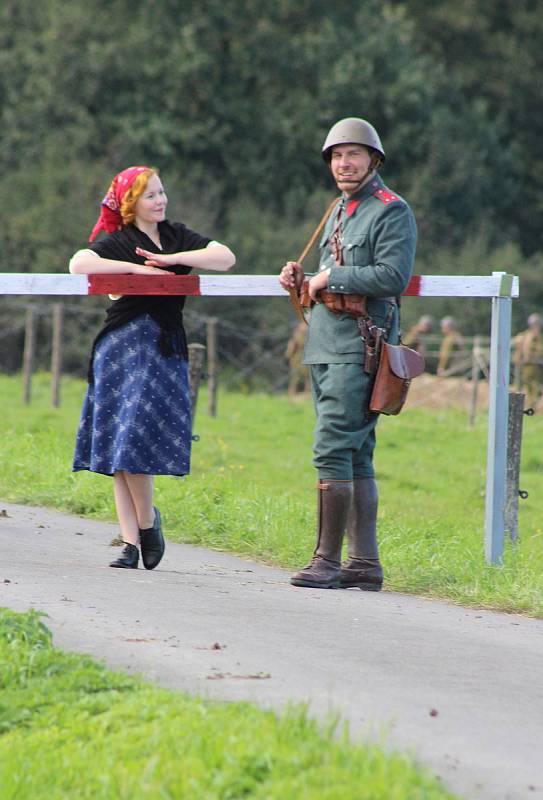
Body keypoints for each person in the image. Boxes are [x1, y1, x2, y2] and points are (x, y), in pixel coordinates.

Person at [69, 166, 235, 569]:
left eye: (162, 193)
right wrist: (137, 270)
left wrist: (172, 259)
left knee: (135, 441)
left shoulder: (177, 235)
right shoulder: (121, 241)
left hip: (162, 348)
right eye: (150, 196)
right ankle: (134, 537)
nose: (160, 200)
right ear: (132, 204)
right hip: (120, 348)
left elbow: (225, 258)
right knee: (119, 445)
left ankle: (145, 525)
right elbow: (79, 264)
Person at [279, 117, 417, 591]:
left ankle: (327, 561)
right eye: (337, 156)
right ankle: (364, 564)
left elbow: (392, 276)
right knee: (357, 454)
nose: (344, 163)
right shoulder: (338, 210)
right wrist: (304, 281)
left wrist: (328, 280)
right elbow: (330, 269)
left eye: (354, 154)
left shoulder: (389, 210)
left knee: (333, 445)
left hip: (360, 347)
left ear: (374, 160)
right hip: (327, 344)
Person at [513, 313, 543, 409]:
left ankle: (533, 406)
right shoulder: (524, 336)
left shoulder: (539, 338)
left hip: (537, 367)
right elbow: (519, 349)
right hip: (526, 366)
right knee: (527, 387)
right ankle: (529, 406)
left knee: (535, 387)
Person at [285, 321, 310, 395]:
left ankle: (307, 393)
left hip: (306, 355)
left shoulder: (306, 330)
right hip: (298, 357)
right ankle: (292, 393)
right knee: (296, 376)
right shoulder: (300, 331)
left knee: (308, 377)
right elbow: (293, 346)